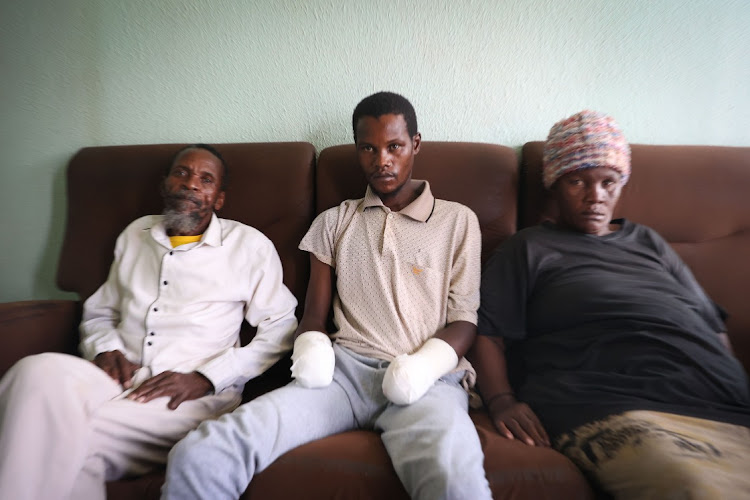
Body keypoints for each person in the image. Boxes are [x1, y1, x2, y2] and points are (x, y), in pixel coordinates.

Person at [162, 92, 492, 500]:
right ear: (357, 151)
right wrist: (313, 348)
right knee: (202, 451)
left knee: (456, 480)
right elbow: (314, 315)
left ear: (416, 145)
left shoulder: (457, 220)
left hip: (427, 382)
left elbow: (464, 317)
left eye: (395, 147)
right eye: (368, 148)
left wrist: (422, 368)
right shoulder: (334, 221)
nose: (381, 160)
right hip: (343, 377)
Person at [473, 110, 750, 499]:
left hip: (726, 406)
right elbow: (488, 332)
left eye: (608, 181)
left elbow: (711, 324)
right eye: (577, 182)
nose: (595, 196)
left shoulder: (649, 242)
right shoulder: (528, 247)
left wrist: (732, 384)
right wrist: (502, 401)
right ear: (553, 184)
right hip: (615, 405)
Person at [0, 144, 299, 500]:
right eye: (182, 173)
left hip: (184, 400)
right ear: (165, 183)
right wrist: (104, 348)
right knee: (33, 372)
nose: (190, 184)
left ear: (218, 199)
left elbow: (281, 328)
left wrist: (209, 377)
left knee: (56, 435)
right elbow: (101, 313)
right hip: (113, 377)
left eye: (205, 180)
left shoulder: (248, 246)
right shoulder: (134, 235)